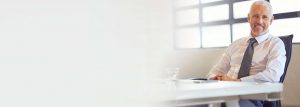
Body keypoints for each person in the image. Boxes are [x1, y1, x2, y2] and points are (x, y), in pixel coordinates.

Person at [207, 1, 286, 107]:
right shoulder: (235, 44)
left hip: (253, 98)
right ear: (249, 18)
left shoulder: (276, 44)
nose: (259, 21)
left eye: (264, 17)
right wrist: (216, 78)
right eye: (256, 16)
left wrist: (238, 81)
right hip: (225, 94)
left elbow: (273, 74)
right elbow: (215, 71)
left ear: (271, 20)